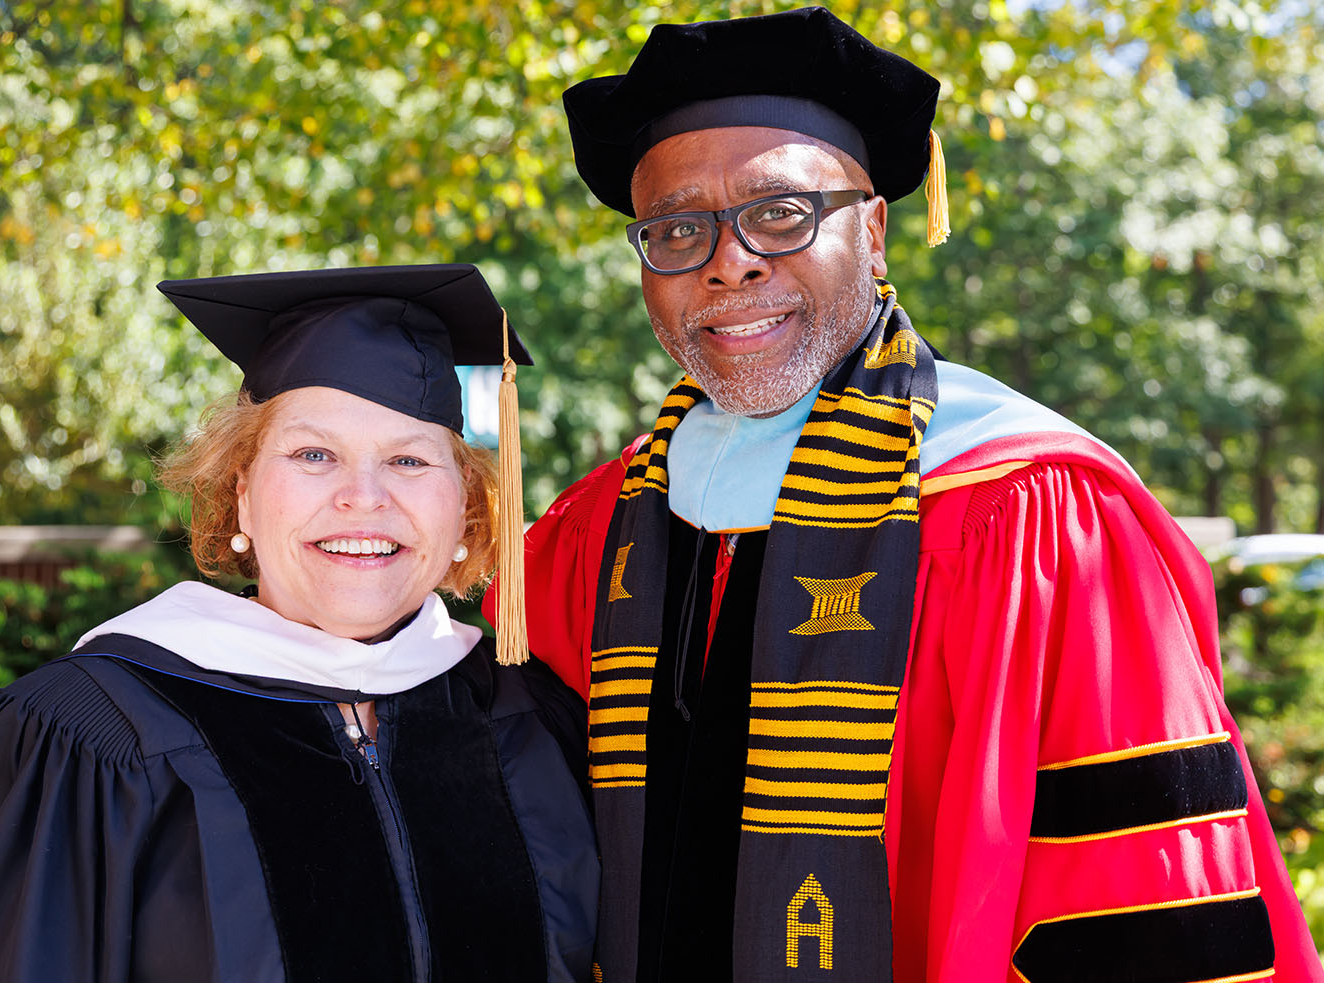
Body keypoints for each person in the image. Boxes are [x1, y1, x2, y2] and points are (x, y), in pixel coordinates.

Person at [485, 8, 1322, 982]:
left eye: (780, 212)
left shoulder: (1034, 512)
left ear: (873, 228)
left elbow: (1143, 902)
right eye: (674, 230)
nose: (728, 260)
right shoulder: (594, 532)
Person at [0, 264, 598, 982]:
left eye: (409, 461)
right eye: (313, 454)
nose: (362, 498)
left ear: (465, 505)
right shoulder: (92, 732)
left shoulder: (532, 718)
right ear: (240, 496)